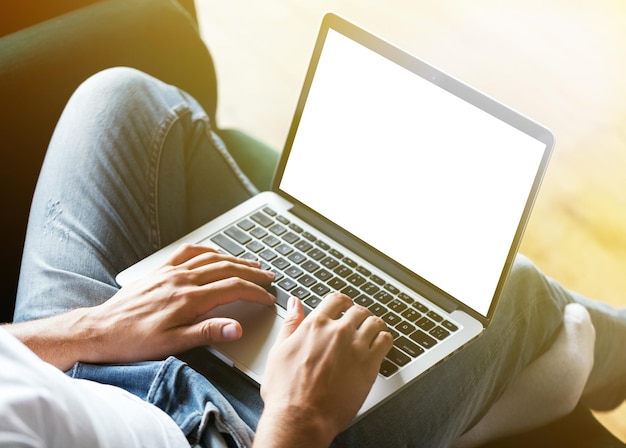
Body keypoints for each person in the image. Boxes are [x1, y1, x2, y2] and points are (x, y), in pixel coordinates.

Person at [1, 67, 624, 447]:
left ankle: (288, 235)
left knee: (127, 101)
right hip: (227, 434)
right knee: (503, 292)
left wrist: (90, 327)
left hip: (66, 368)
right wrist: (298, 421)